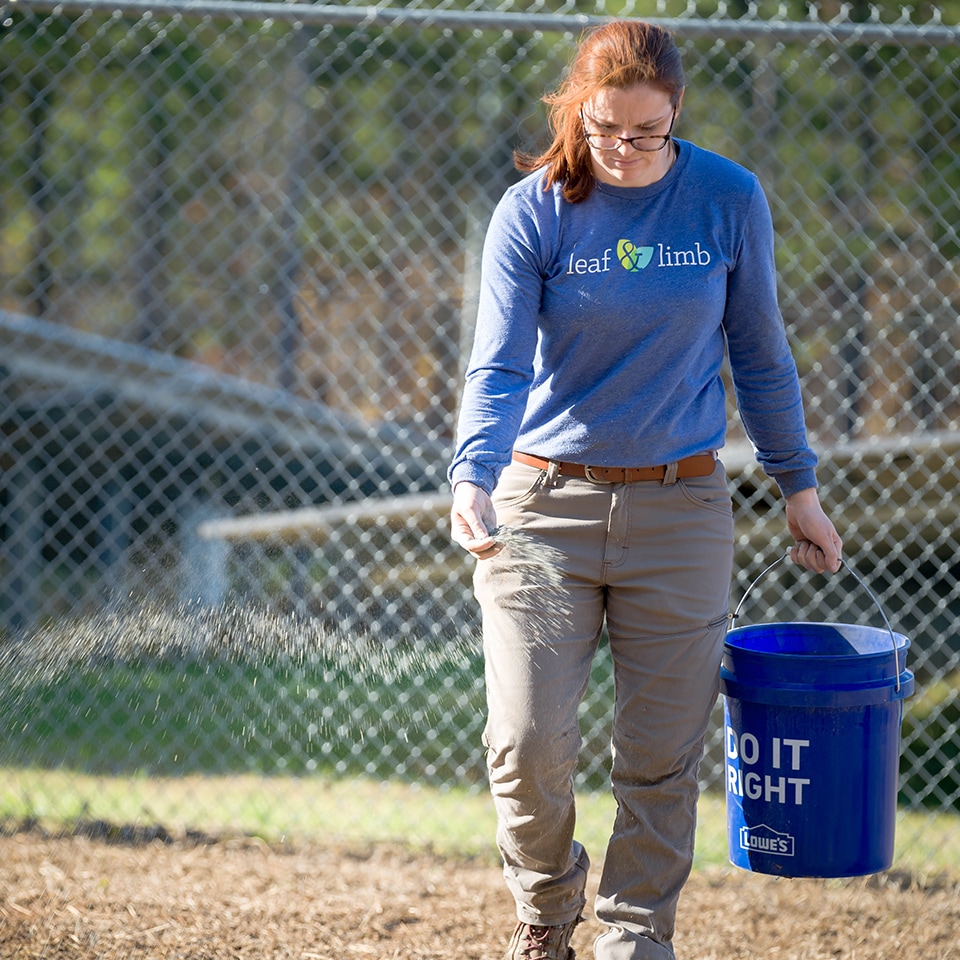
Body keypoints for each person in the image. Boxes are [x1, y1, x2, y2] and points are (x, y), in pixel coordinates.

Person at [448, 19, 842, 960]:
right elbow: (496, 367)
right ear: (575, 113)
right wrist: (473, 474)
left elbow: (761, 355)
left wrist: (800, 486)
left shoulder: (727, 199)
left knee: (662, 756)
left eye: (647, 133)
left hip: (682, 508)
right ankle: (546, 910)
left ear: (677, 118)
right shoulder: (534, 208)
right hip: (542, 505)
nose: (623, 152)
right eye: (604, 130)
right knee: (526, 741)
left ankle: (635, 934)